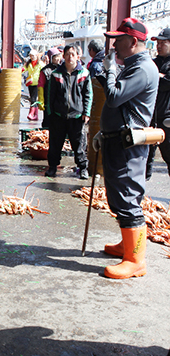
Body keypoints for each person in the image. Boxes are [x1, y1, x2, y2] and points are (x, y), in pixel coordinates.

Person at [92, 17, 159, 279]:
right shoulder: (133, 66)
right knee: (119, 196)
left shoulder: (142, 68)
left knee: (128, 196)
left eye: (118, 40)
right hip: (117, 138)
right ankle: (127, 243)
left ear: (133, 41)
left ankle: (135, 258)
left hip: (127, 143)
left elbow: (116, 95)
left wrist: (109, 69)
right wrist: (104, 131)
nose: (114, 45)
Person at [44, 44, 92, 179]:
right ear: (63, 56)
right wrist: (50, 114)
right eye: (67, 54)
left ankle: (83, 168)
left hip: (77, 116)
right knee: (55, 143)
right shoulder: (55, 74)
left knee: (79, 144)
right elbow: (50, 96)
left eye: (73, 54)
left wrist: (86, 112)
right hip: (59, 115)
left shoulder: (84, 74)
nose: (70, 57)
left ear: (78, 56)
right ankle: (52, 167)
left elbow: (88, 95)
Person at [146, 28, 170, 179]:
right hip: (150, 118)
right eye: (157, 43)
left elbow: (166, 83)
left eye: (163, 43)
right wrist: (159, 77)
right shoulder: (153, 63)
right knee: (144, 158)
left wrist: (158, 78)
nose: (158, 46)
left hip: (167, 119)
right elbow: (147, 81)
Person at [38, 48, 63, 128]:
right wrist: (41, 100)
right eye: (56, 56)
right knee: (48, 119)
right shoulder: (45, 70)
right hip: (48, 99)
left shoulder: (62, 69)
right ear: (51, 57)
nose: (58, 59)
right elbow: (40, 85)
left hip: (59, 98)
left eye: (59, 56)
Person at [23, 49, 44, 120]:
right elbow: (23, 69)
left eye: (33, 56)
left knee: (33, 99)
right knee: (33, 98)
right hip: (30, 83)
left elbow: (44, 71)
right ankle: (35, 115)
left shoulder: (40, 64)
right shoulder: (28, 63)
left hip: (37, 83)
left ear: (36, 56)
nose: (32, 57)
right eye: (31, 56)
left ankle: (31, 113)